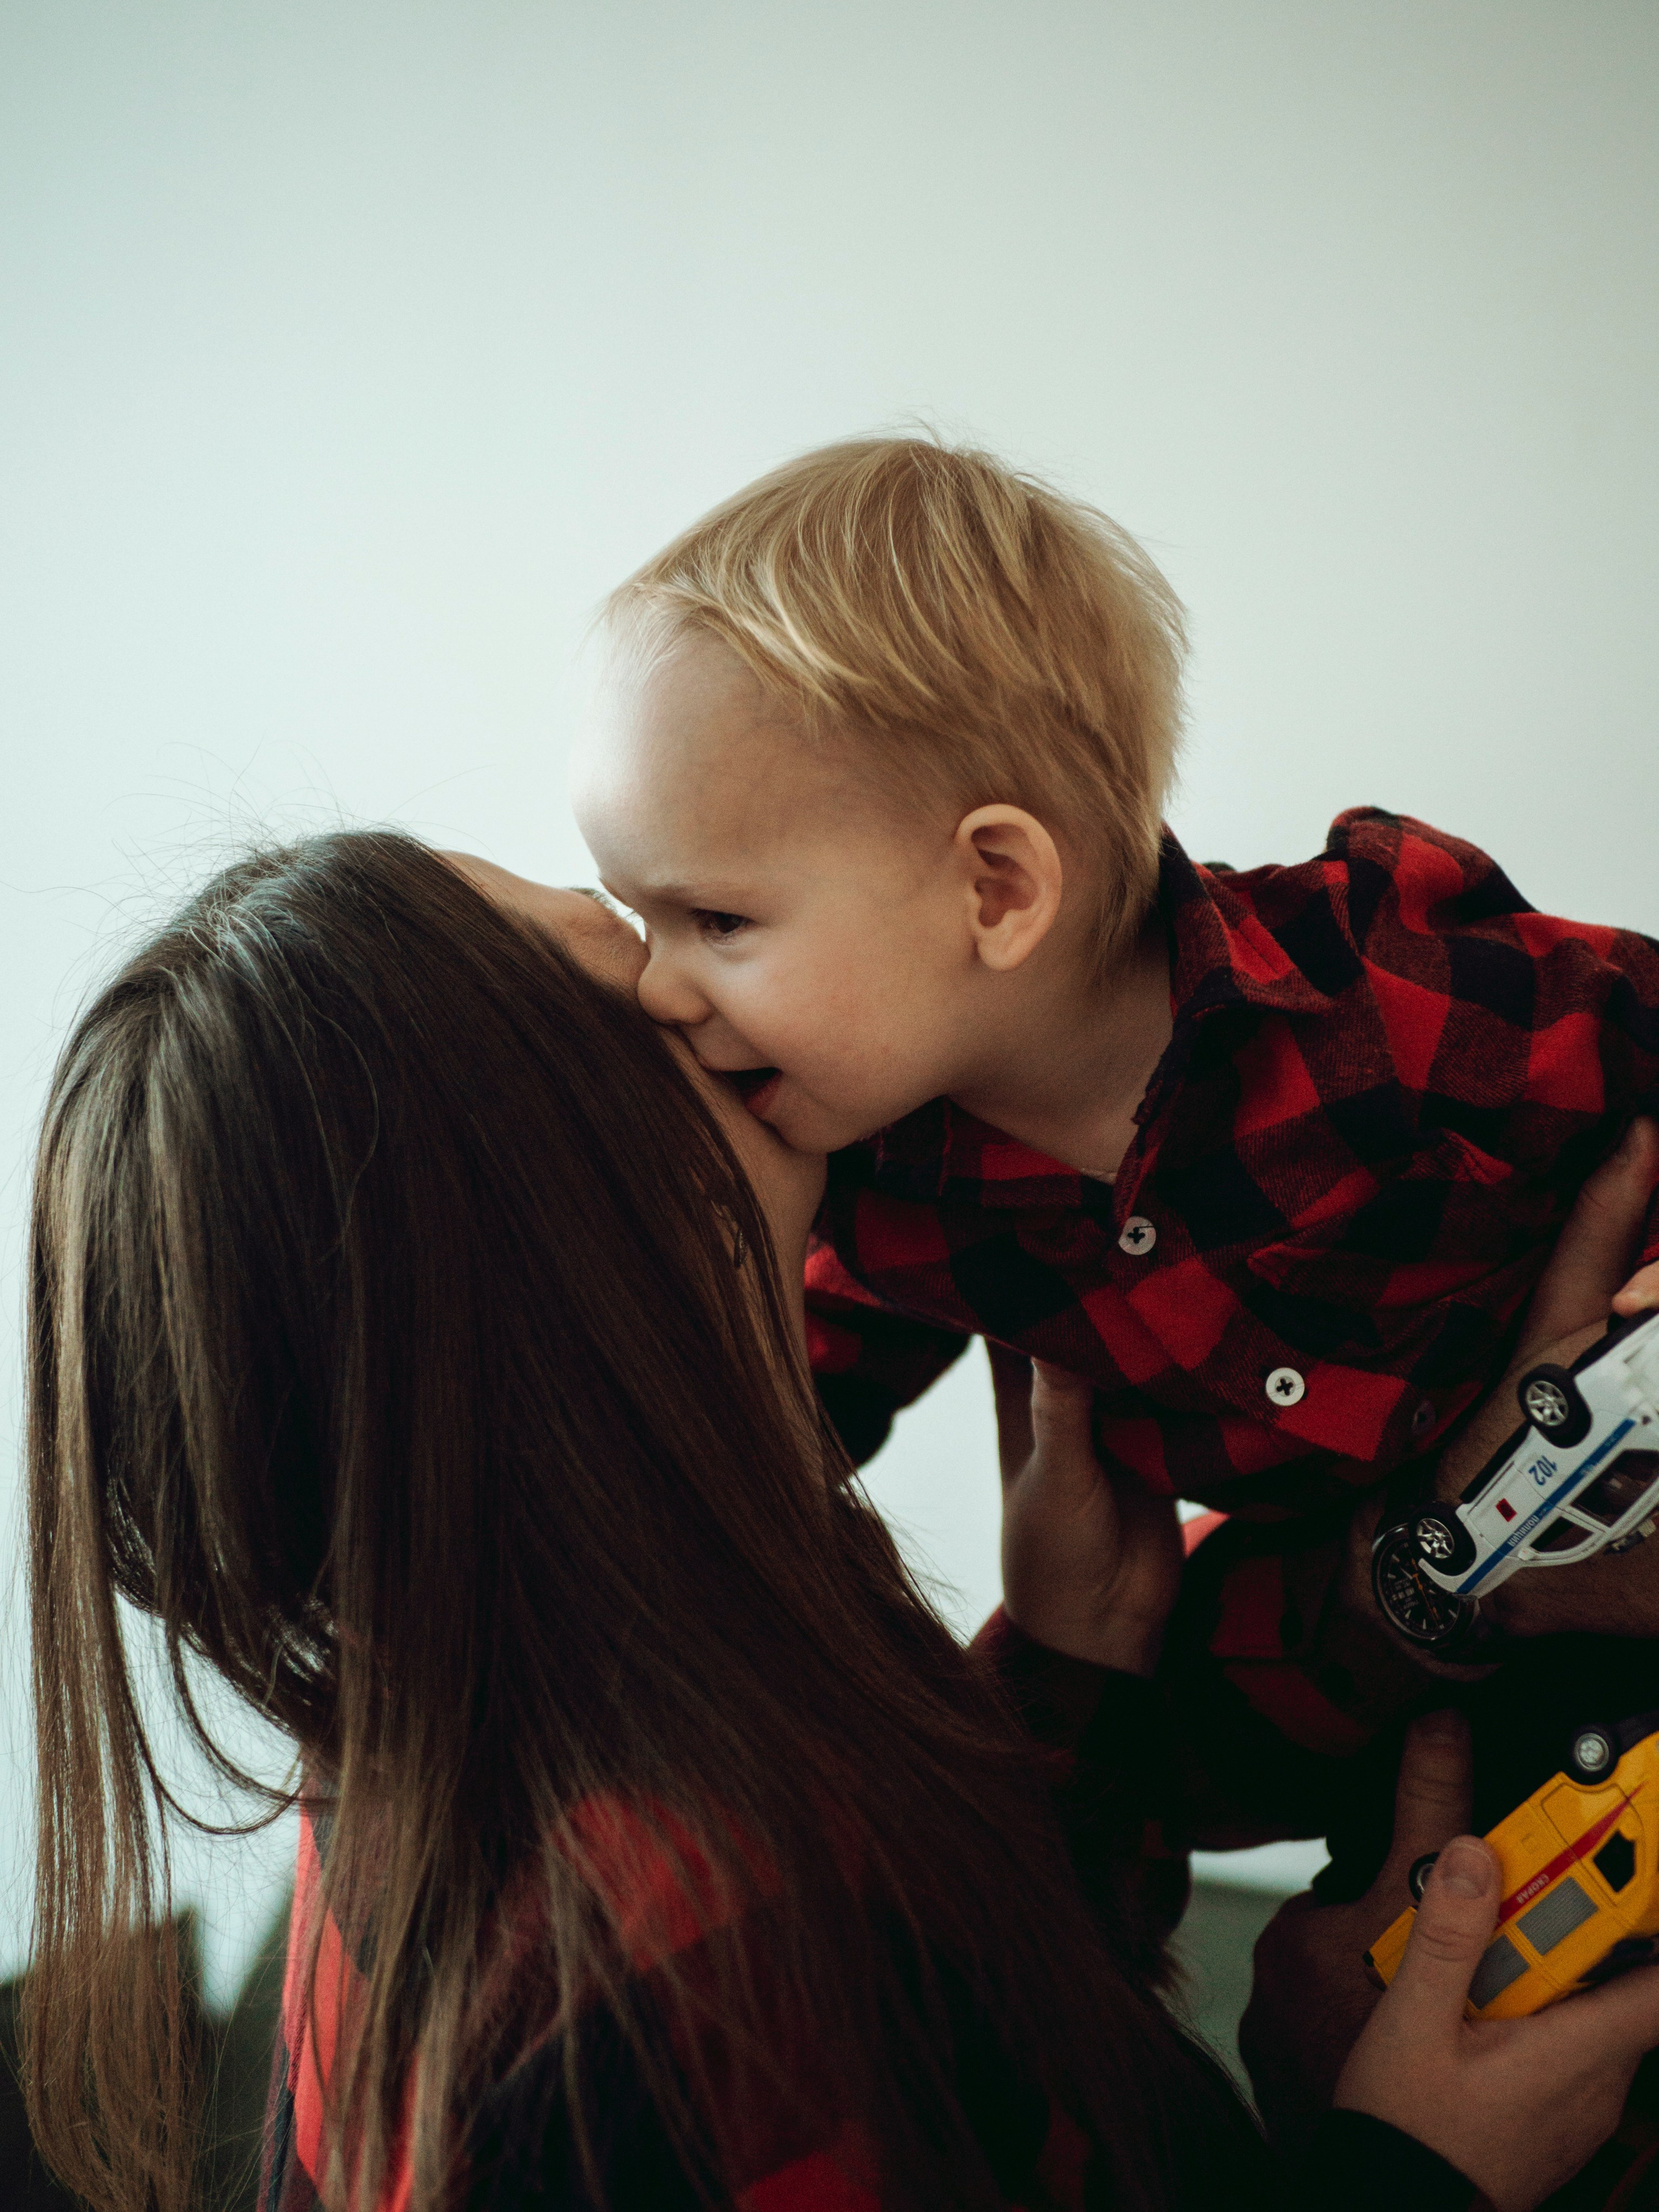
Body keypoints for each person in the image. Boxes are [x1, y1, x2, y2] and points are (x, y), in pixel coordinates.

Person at [22, 829, 1659, 2212]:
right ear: (576, 1215)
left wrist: (1115, 1658)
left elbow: (967, 2003)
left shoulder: (505, 1668)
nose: (705, 996)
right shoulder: (652, 1998)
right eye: (635, 975)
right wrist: (1393, 2166)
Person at [574, 432, 1659, 1836]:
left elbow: (1636, 1031)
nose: (657, 988)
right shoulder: (886, 1188)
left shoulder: (1378, 981)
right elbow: (738, 1435)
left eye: (715, 920)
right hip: (1419, 1698)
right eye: (640, 918)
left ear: (995, 889)